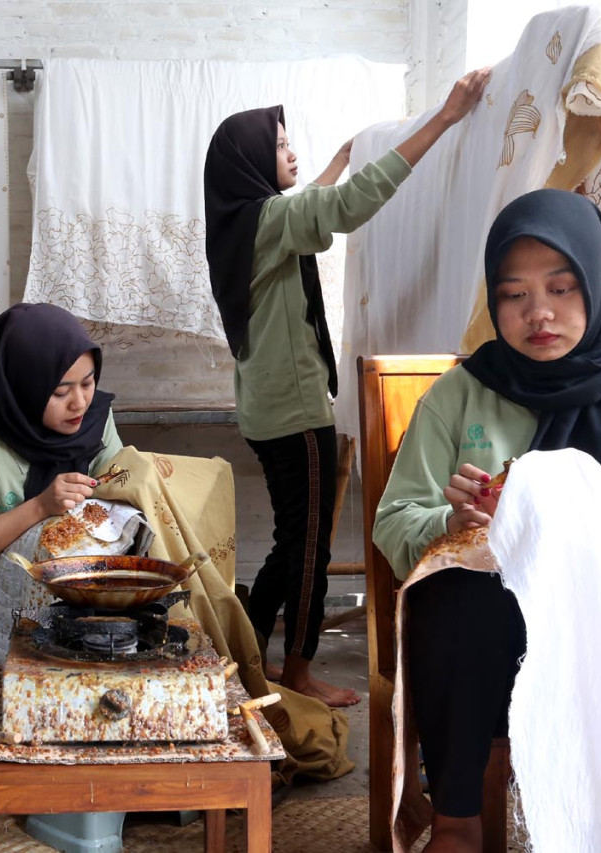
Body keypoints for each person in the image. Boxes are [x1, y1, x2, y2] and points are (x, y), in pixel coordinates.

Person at [372, 188, 601, 853]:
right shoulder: (463, 391)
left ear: (597, 280)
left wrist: (566, 511)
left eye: (561, 288)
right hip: (497, 633)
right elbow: (395, 520)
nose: (539, 312)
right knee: (457, 598)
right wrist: (456, 526)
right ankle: (458, 821)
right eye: (513, 294)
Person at [203, 67, 492, 707]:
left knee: (290, 539)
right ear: (254, 163)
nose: (292, 154)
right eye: (281, 147)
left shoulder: (240, 222)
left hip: (265, 408)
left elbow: (311, 207)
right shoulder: (267, 218)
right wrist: (443, 119)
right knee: (308, 547)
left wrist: (335, 157)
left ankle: (249, 649)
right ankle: (298, 670)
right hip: (295, 414)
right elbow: (343, 207)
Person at [0, 302, 122, 614]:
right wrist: (41, 507)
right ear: (22, 388)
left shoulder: (95, 419)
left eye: (88, 383)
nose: (80, 403)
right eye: (60, 392)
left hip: (74, 571)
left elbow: (120, 489)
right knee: (75, 614)